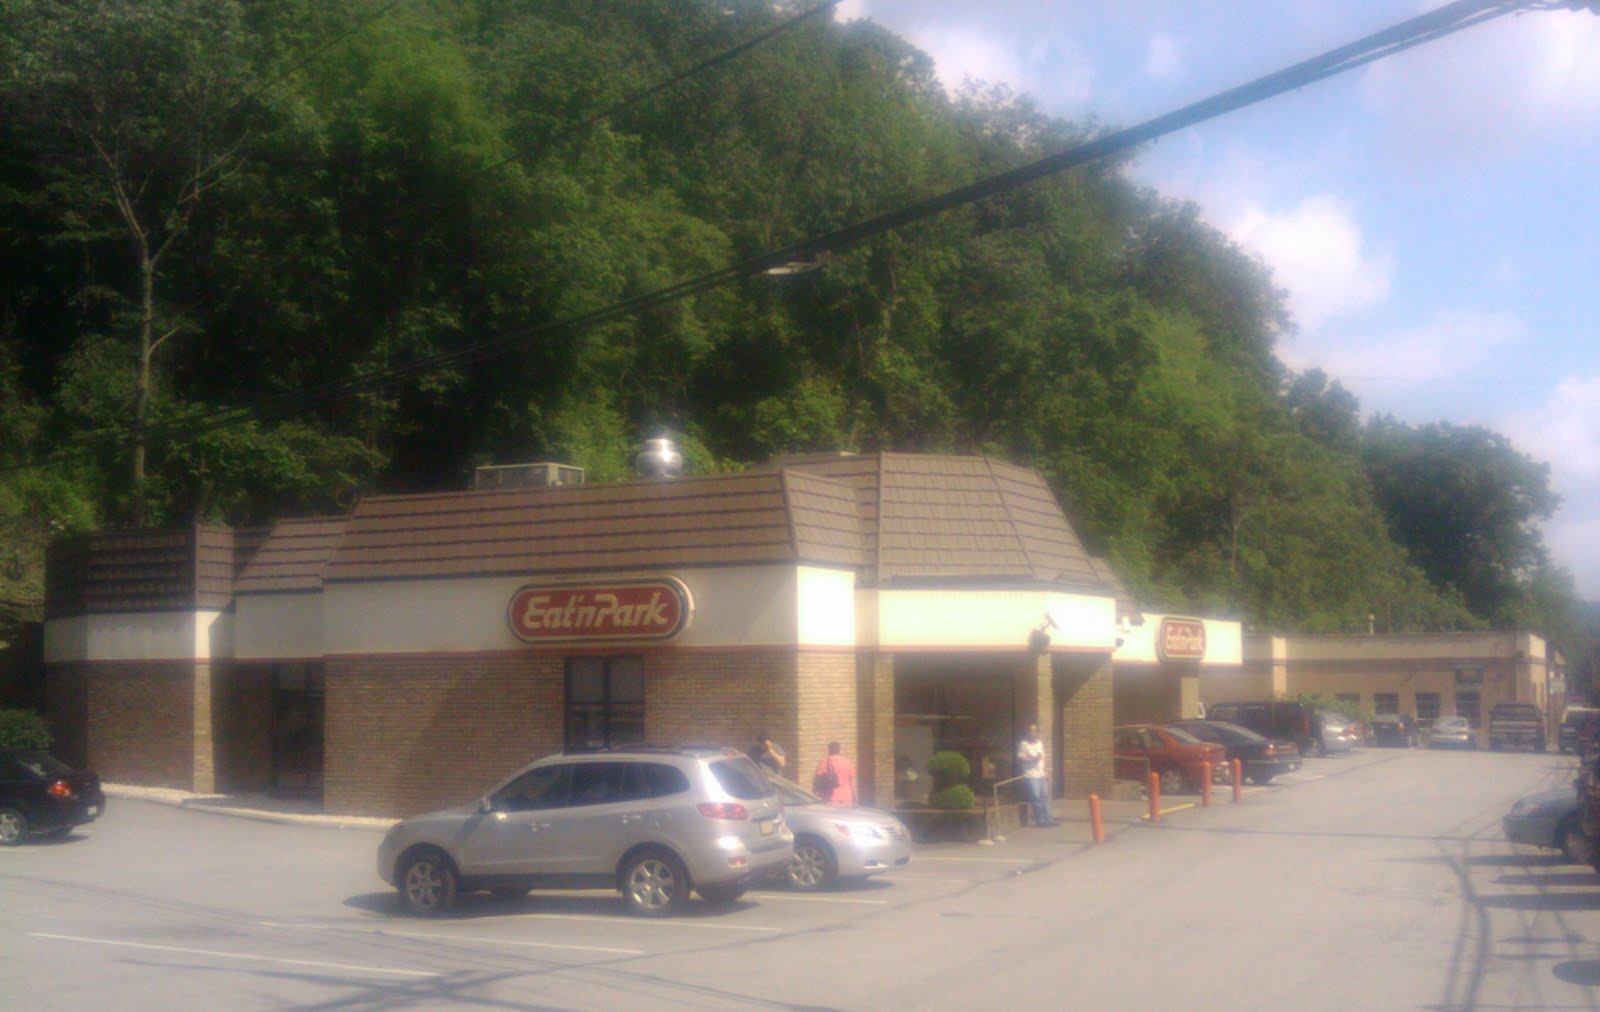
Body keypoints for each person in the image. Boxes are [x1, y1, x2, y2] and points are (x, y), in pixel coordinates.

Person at [1017, 723, 1057, 827]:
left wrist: (1046, 771)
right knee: (1036, 797)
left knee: (1045, 797)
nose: (1033, 733)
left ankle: (1049, 819)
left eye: (1035, 731)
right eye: (1031, 730)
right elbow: (1021, 758)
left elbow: (1042, 758)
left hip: (1041, 774)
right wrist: (1032, 758)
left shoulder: (1039, 743)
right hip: (1031, 775)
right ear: (1027, 732)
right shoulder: (1023, 744)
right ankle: (1040, 820)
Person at [812, 741, 857, 805]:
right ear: (839, 750)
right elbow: (852, 781)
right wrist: (854, 795)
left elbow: (817, 778)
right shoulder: (847, 761)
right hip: (847, 796)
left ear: (829, 750)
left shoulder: (825, 761)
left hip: (831, 796)